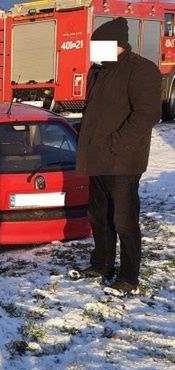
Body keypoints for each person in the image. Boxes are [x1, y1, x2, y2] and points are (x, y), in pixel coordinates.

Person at [69, 17, 161, 297]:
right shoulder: (97, 70)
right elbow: (94, 112)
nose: (92, 51)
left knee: (124, 221)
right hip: (96, 159)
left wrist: (117, 143)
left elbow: (148, 114)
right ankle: (101, 265)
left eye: (97, 46)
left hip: (123, 161)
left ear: (116, 45)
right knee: (98, 216)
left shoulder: (141, 70)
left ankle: (128, 277)